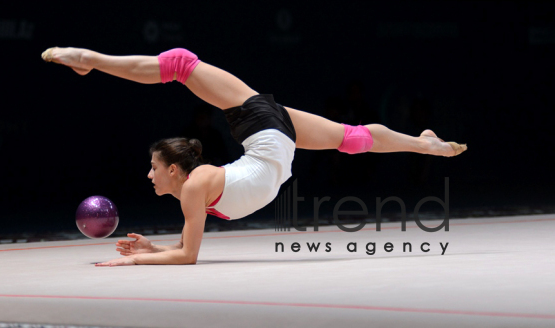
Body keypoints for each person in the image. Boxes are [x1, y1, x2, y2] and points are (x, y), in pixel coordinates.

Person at [41, 47, 467, 266]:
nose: (148, 174)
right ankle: (424, 143)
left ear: (174, 169)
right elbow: (188, 245)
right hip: (271, 140)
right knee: (352, 138)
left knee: (180, 64)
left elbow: (188, 257)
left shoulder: (196, 186)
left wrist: (138, 263)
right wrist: (153, 248)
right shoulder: (195, 191)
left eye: (153, 167)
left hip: (268, 139)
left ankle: (90, 60)